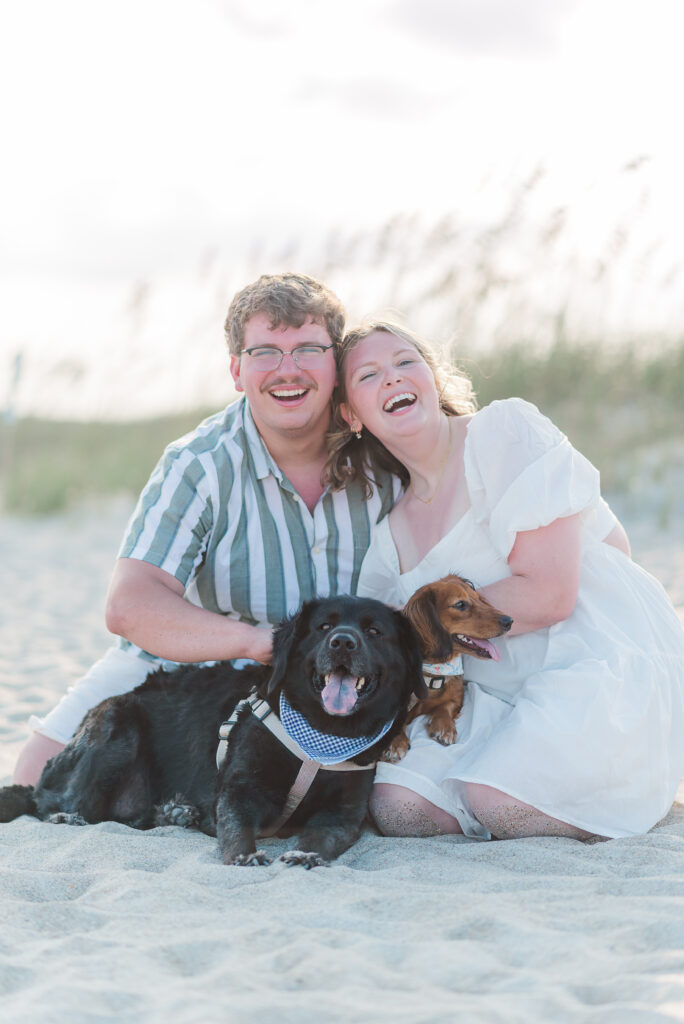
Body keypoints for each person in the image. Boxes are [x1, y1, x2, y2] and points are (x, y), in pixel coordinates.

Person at [13, 274, 398, 786]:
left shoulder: (384, 448)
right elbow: (130, 606)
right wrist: (255, 642)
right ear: (237, 370)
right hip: (210, 666)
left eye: (308, 349)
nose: (288, 370)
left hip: (357, 671)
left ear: (336, 363)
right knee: (34, 774)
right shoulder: (197, 463)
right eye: (265, 352)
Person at [327, 319, 684, 841]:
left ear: (432, 378)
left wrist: (424, 626)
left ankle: (623, 791)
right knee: (399, 807)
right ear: (350, 415)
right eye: (368, 375)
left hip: (585, 657)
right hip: (485, 689)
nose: (392, 378)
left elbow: (551, 593)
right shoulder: (388, 537)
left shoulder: (503, 433)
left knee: (497, 803)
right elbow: (396, 652)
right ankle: (520, 775)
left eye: (406, 362)